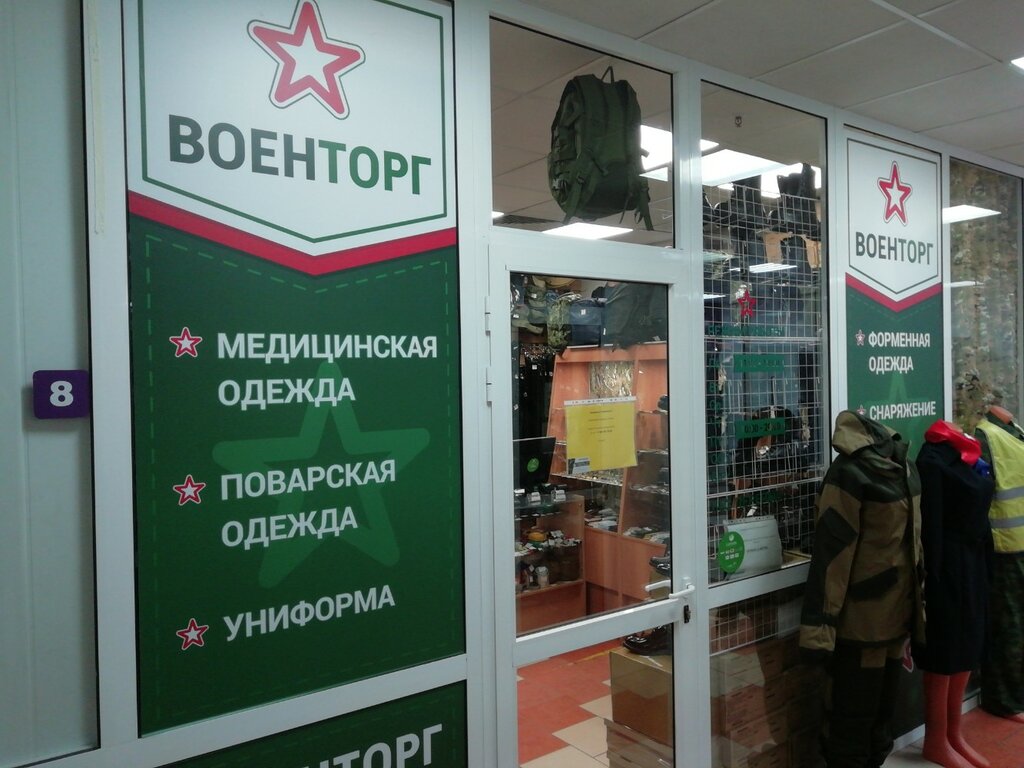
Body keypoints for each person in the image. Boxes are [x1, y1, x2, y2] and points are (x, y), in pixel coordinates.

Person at [800, 410, 925, 768]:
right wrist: (818, 633)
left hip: (896, 621)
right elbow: (832, 559)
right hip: (859, 627)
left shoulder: (905, 467)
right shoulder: (849, 474)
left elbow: (914, 547)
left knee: (882, 722)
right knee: (850, 723)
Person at [914, 420, 994, 768]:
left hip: (974, 562)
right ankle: (936, 740)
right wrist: (933, 577)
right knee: (944, 651)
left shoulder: (968, 454)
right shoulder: (932, 461)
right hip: (947, 567)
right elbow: (930, 526)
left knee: (968, 646)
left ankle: (953, 733)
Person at [974, 406, 1024, 724]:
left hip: (1018, 547)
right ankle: (1004, 700)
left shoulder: (1015, 432)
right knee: (1008, 626)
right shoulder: (986, 437)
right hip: (1004, 549)